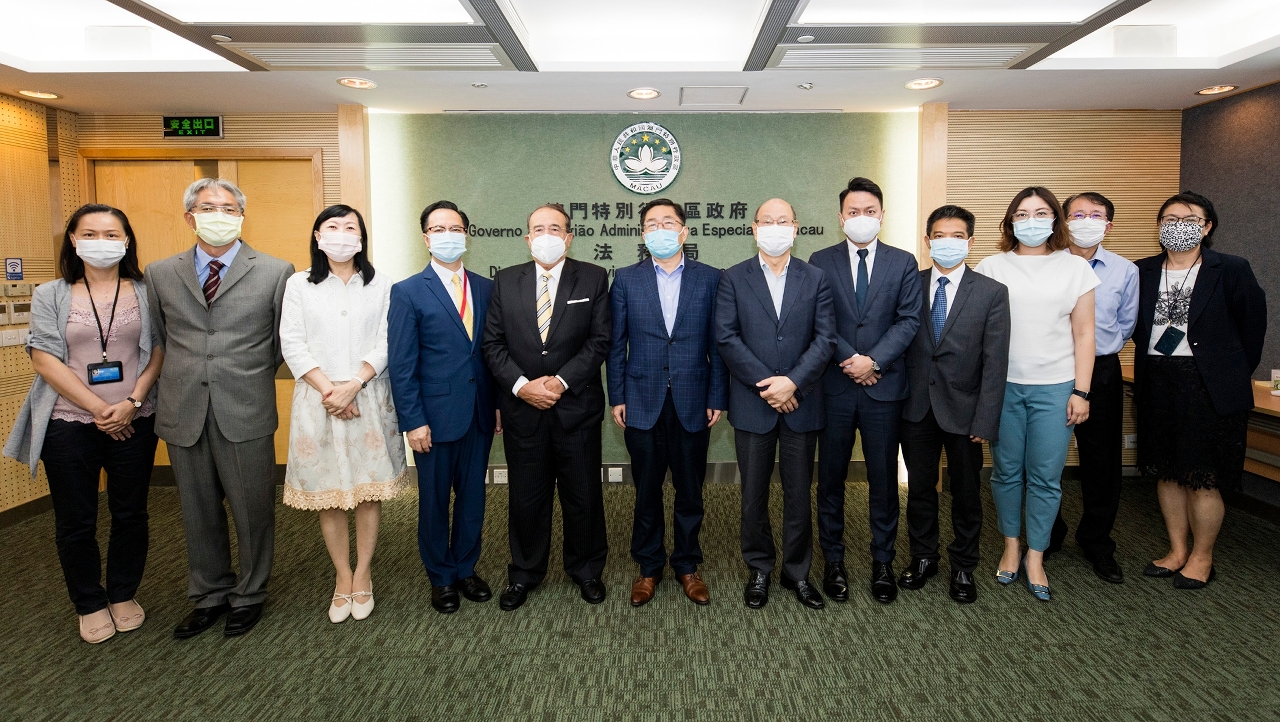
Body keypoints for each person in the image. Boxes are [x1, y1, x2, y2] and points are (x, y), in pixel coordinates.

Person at [4, 204, 163, 644]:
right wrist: (98, 408)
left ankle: (123, 593)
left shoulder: (148, 291)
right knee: (76, 520)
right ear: (73, 240)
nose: (101, 242)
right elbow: (43, 358)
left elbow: (159, 351)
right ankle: (89, 602)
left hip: (135, 418)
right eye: (90, 233)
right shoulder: (50, 294)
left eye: (112, 234)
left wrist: (131, 402)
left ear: (126, 241)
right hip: (68, 422)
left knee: (130, 512)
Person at [147, 178, 294, 638]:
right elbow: (160, 338)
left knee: (253, 508)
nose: (220, 215)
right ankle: (209, 593)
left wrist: (242, 374)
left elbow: (279, 344)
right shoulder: (160, 273)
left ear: (242, 217)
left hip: (245, 405)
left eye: (230, 208)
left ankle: (249, 593)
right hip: (183, 407)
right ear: (189, 216)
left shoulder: (275, 271)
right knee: (197, 509)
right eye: (209, 207)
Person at [281, 205, 408, 624]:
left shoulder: (382, 284)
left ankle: (364, 572)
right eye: (332, 227)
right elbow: (291, 342)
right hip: (317, 399)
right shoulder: (299, 284)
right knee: (329, 493)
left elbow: (388, 341)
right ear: (318, 237)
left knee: (368, 492)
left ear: (361, 237)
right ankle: (342, 576)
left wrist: (353, 384)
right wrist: (330, 390)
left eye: (350, 227)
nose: (341, 233)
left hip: (367, 395)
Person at [482, 203, 611, 611]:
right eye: (538, 229)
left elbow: (599, 340)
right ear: (527, 238)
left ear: (569, 237)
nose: (546, 235)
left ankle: (586, 570)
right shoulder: (506, 281)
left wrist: (559, 381)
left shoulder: (593, 277)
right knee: (526, 498)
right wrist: (522, 387)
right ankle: (524, 573)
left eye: (555, 228)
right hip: (523, 410)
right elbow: (492, 343)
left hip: (576, 408)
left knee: (583, 495)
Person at [1134, 191, 1266, 589]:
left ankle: (1202, 557)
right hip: (1158, 378)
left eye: (1189, 219)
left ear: (1207, 227)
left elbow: (1252, 330)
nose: (1178, 226)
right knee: (1167, 472)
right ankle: (1177, 550)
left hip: (1207, 385)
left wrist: (1226, 373)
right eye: (1170, 219)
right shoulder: (1142, 270)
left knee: (1202, 476)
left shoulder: (1231, 269)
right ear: (1159, 226)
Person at [974, 186, 1097, 602]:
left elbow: (1084, 334)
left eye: (1041, 213)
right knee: (1006, 472)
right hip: (1003, 387)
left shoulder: (1076, 268)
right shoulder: (991, 267)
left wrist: (1082, 391)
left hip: (1057, 388)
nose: (1032, 221)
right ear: (1010, 222)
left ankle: (1036, 555)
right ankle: (1011, 546)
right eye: (1022, 214)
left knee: (1046, 477)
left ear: (1055, 219)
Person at [715, 198, 836, 610]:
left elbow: (825, 339)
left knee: (799, 495)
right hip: (754, 403)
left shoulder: (816, 278)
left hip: (802, 401)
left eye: (783, 220)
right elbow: (727, 338)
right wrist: (770, 386)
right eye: (767, 220)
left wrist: (793, 383)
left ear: (796, 227)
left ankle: (797, 572)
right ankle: (759, 568)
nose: (775, 226)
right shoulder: (733, 277)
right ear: (754, 229)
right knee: (753, 495)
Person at [607, 198, 728, 607]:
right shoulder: (626, 279)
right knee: (646, 491)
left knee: (690, 490)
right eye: (652, 224)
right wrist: (617, 396)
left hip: (694, 399)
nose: (660, 229)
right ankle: (648, 567)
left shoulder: (711, 278)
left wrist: (717, 395)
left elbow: (718, 345)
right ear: (643, 234)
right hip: (641, 399)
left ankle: (688, 565)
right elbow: (616, 345)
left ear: (684, 231)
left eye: (668, 222)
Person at [807, 177, 922, 604]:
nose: (862, 218)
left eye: (869, 211)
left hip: (884, 388)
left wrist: (873, 361)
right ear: (841, 218)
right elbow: (820, 321)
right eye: (853, 212)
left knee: (883, 480)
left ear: (882, 215)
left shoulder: (903, 262)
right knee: (830, 479)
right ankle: (833, 561)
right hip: (835, 387)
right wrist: (852, 360)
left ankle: (883, 562)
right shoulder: (820, 261)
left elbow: (908, 320)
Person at [389, 200, 498, 615]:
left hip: (479, 413)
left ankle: (466, 568)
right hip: (432, 419)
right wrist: (413, 421)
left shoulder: (486, 288)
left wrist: (497, 405)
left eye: (455, 228)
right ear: (426, 238)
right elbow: (402, 364)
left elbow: (490, 353)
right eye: (438, 229)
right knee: (433, 502)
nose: (447, 235)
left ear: (466, 235)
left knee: (473, 499)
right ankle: (441, 577)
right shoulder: (407, 291)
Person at [900, 205, 1010, 604]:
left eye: (957, 236)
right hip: (915, 407)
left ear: (970, 242)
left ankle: (964, 565)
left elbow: (995, 363)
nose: (948, 243)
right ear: (928, 241)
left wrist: (986, 418)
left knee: (966, 492)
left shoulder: (992, 292)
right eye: (940, 236)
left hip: (966, 412)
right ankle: (923, 557)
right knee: (919, 489)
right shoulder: (909, 284)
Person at [1047, 192, 1139, 584]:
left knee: (1102, 461)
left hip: (1101, 370)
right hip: (1051, 368)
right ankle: (1048, 534)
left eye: (1096, 215)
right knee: (1045, 459)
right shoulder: (1047, 263)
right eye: (1078, 214)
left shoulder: (1125, 270)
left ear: (1109, 225)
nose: (1087, 221)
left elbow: (1127, 323)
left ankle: (1097, 541)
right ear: (1064, 221)